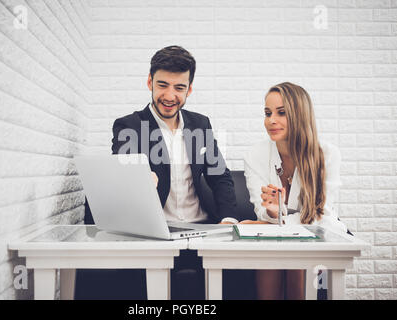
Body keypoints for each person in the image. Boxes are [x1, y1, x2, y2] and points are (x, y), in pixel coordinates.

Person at [81, 45, 239, 299]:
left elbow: (220, 176)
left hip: (202, 232)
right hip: (155, 236)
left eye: (179, 88)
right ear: (149, 82)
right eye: (162, 85)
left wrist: (230, 220)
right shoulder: (129, 126)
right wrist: (138, 180)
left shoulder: (201, 124)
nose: (169, 95)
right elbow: (125, 172)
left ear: (189, 89)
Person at [242, 82, 348, 300]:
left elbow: (321, 214)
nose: (271, 120)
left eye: (281, 113)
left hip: (318, 235)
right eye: (267, 113)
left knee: (298, 260)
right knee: (269, 261)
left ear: (299, 114)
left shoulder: (327, 154)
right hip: (275, 239)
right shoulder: (255, 154)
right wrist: (271, 213)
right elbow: (260, 209)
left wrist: (273, 223)